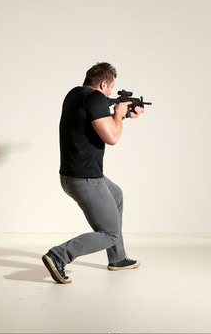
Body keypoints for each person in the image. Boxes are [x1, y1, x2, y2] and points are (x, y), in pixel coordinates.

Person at [42, 62, 144, 284]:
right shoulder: (96, 98)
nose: (110, 92)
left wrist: (122, 116)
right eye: (111, 87)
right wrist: (118, 114)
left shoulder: (75, 94)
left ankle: (117, 259)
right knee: (109, 234)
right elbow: (112, 137)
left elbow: (96, 124)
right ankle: (59, 255)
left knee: (116, 195)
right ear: (104, 83)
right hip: (87, 179)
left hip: (71, 175)